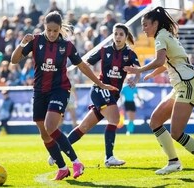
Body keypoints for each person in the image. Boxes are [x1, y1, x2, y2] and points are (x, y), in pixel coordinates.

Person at [11, 11, 117, 180]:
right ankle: (62, 168)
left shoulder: (67, 46)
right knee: (44, 133)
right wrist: (22, 43)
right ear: (44, 27)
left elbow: (82, 66)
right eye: (49, 30)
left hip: (60, 89)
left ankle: (76, 162)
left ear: (60, 28)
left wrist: (100, 83)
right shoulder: (36, 41)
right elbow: (14, 60)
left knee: (50, 126)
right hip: (39, 91)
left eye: (55, 30)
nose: (52, 34)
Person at [124, 6, 194, 178]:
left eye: (146, 25)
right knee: (155, 121)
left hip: (187, 84)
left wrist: (140, 70)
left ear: (156, 23)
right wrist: (151, 73)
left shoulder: (161, 36)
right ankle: (173, 162)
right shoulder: (166, 35)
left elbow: (159, 61)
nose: (143, 29)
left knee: (176, 132)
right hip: (182, 85)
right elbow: (168, 62)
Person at [49, 23, 140, 167]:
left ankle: (56, 152)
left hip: (112, 94)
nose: (117, 37)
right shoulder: (104, 50)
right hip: (100, 89)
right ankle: (109, 158)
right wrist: (80, 72)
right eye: (115, 34)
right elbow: (85, 63)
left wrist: (133, 79)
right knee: (115, 118)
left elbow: (138, 71)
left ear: (126, 37)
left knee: (84, 127)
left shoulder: (130, 54)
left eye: (121, 34)